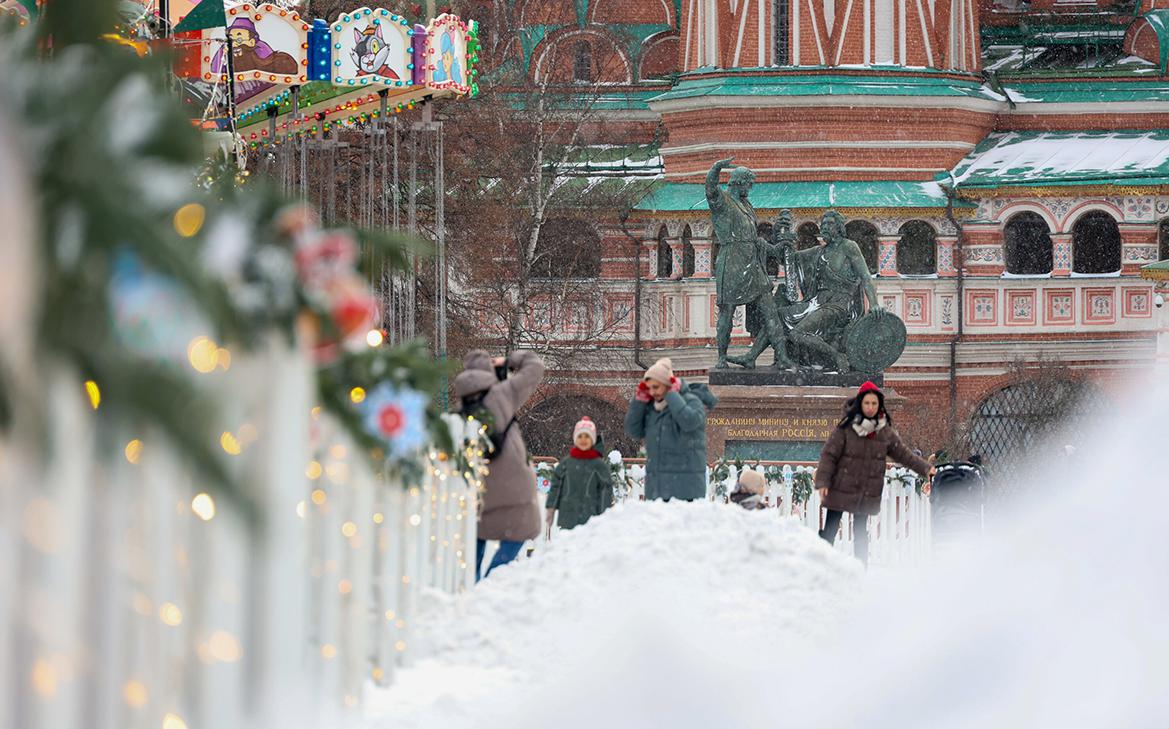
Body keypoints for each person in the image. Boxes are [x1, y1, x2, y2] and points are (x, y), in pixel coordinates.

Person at [815, 381, 934, 564]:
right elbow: (829, 455)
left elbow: (904, 455)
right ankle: (819, 566)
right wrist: (823, 482)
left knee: (861, 532)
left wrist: (925, 468)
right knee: (830, 529)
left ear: (879, 405)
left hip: (865, 490)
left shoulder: (884, 433)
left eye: (874, 404)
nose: (870, 408)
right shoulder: (845, 429)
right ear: (859, 403)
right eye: (866, 403)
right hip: (841, 487)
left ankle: (861, 570)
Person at [452, 349, 545, 581]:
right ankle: (492, 583)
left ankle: (471, 586)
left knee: (476, 539)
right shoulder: (504, 393)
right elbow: (535, 367)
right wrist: (509, 360)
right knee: (519, 533)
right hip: (513, 486)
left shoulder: (459, 410)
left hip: (479, 491)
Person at [624, 357, 718, 501]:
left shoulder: (692, 400)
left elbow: (690, 422)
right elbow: (633, 431)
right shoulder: (652, 408)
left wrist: (671, 395)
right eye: (648, 388)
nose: (652, 392)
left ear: (667, 384)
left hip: (685, 489)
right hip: (657, 488)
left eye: (656, 387)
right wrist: (639, 401)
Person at [544, 417, 613, 534]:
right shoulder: (567, 463)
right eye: (580, 436)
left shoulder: (598, 465)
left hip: (591, 518)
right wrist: (551, 507)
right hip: (568, 517)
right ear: (575, 439)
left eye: (587, 436)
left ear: (593, 440)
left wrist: (604, 514)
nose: (583, 440)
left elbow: (605, 490)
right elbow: (556, 485)